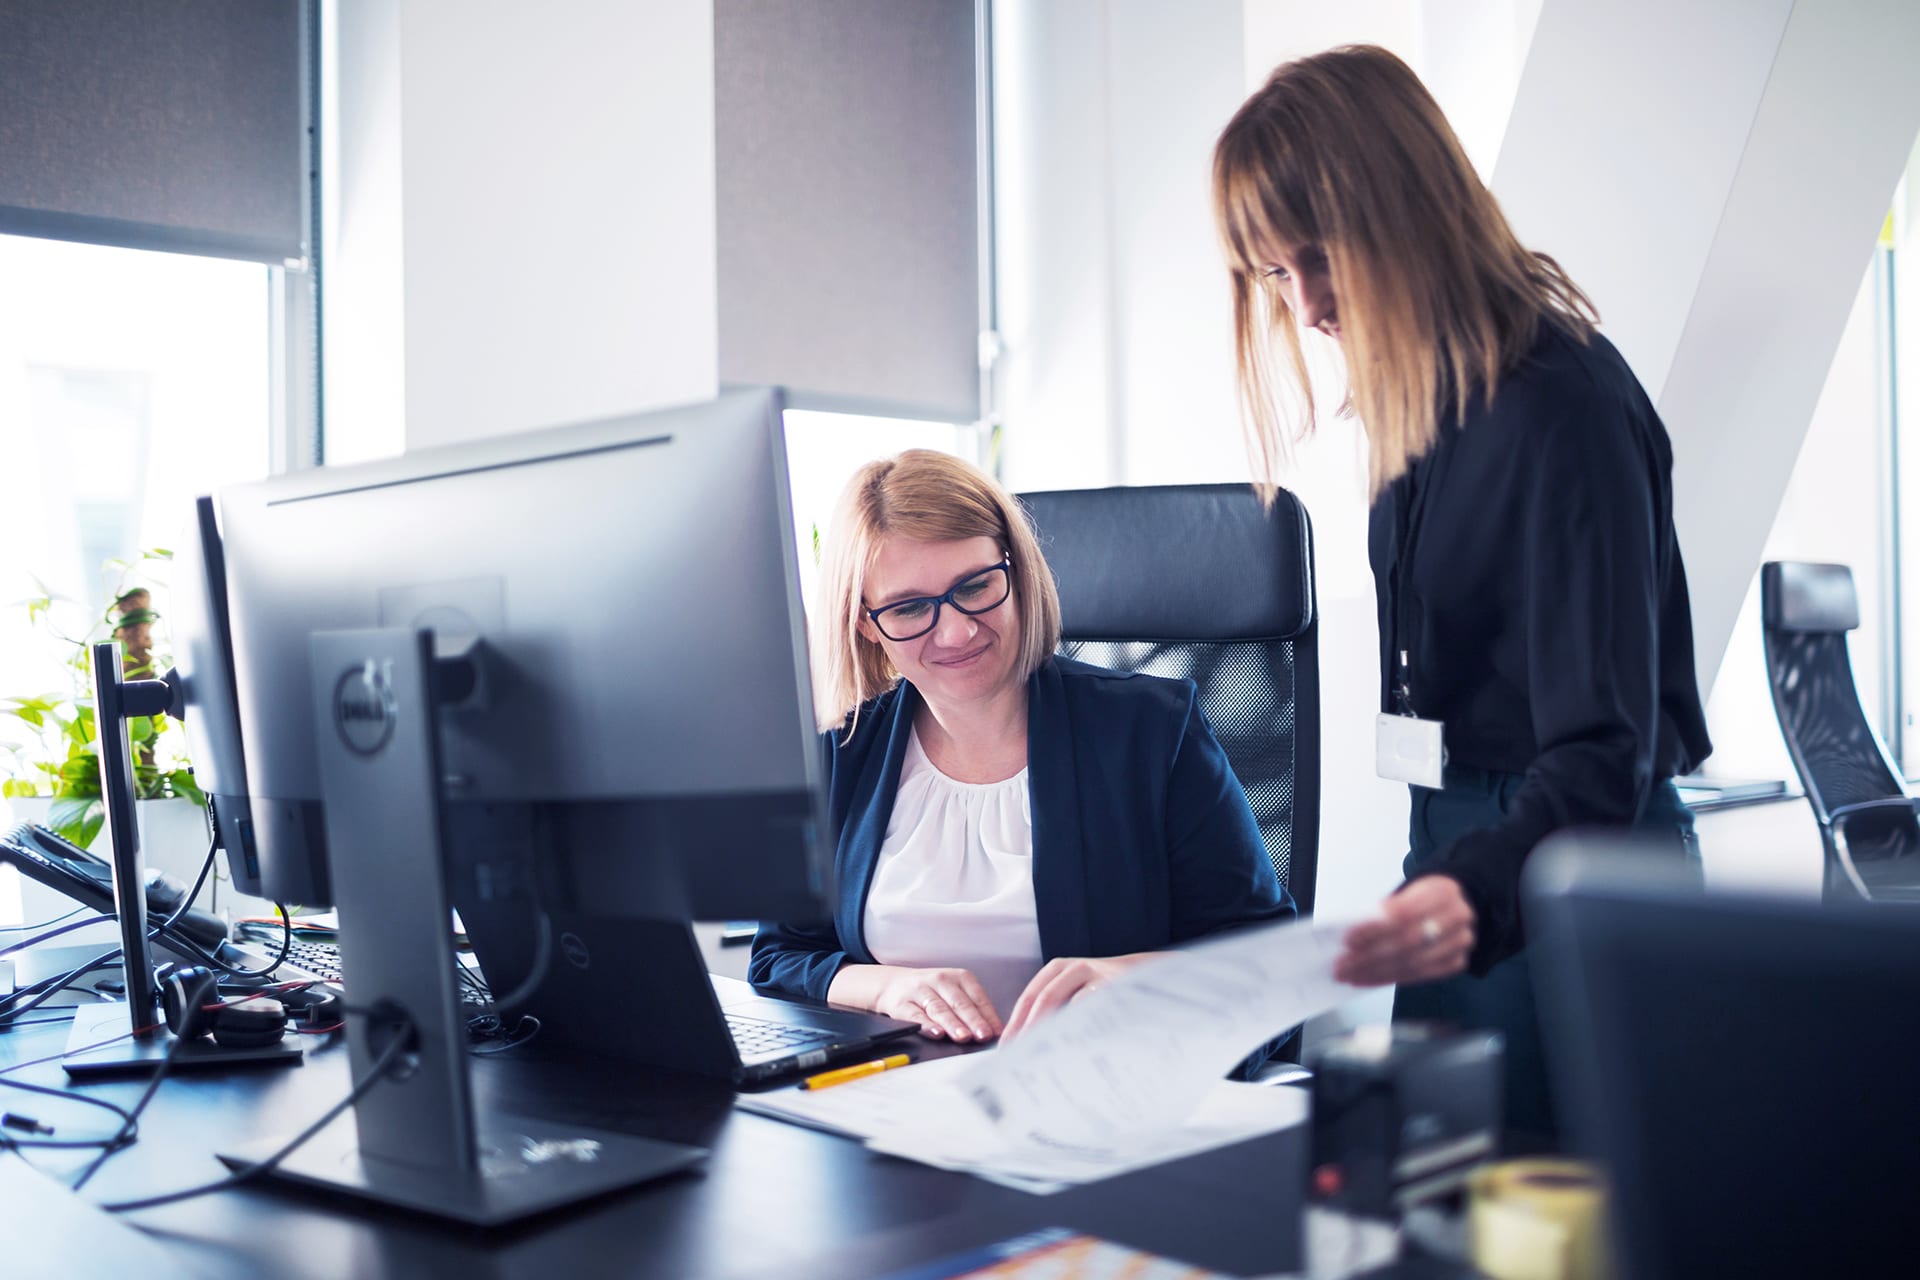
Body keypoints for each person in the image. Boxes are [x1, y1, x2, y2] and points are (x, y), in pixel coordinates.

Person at [1211, 45, 1712, 1142]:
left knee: (1559, 1229)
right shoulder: (1420, 404)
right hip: (1458, 843)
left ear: (1402, 208)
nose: (1307, 308)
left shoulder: (1558, 406)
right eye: (1274, 275)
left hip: (1575, 861)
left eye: (1318, 257)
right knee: (1447, 1221)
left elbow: (1598, 754)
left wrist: (1461, 886)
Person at [750, 450, 1295, 1050]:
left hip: (1104, 1096)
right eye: (909, 607)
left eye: (976, 585)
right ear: (865, 623)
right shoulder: (842, 751)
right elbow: (781, 954)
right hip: (905, 1097)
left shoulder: (1151, 731)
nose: (956, 631)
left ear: (1017, 571)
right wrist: (886, 989)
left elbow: (1266, 957)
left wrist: (1124, 977)